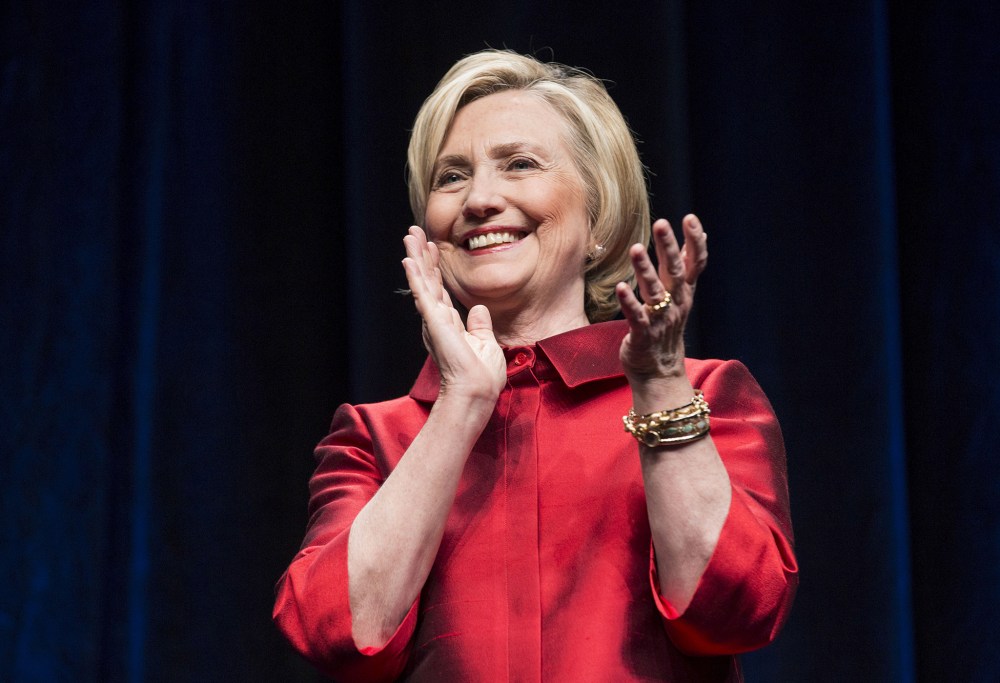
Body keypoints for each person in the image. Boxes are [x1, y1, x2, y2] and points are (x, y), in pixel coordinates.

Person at [274, 49, 797, 682]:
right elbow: (337, 634)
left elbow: (731, 613)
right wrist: (462, 402)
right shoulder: (373, 436)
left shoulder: (707, 393)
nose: (480, 200)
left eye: (520, 165)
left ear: (598, 216)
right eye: (451, 177)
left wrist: (660, 384)